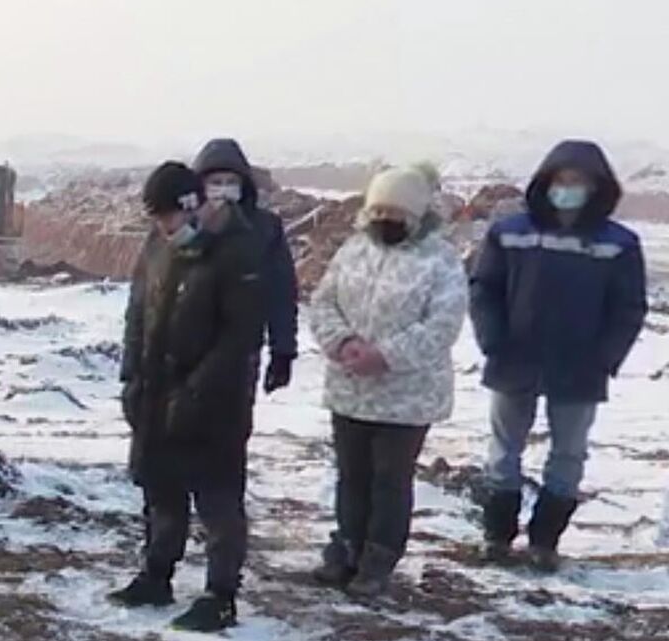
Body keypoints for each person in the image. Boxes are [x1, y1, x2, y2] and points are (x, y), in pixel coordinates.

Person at [471, 140, 647, 572]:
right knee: (503, 451)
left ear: (596, 188)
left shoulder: (617, 244)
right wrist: (493, 340)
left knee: (568, 454)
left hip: (579, 368)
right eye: (562, 180)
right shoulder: (511, 233)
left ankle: (545, 543)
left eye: (578, 182)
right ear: (546, 182)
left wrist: (605, 357)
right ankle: (496, 536)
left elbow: (628, 308)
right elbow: (484, 289)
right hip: (515, 359)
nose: (568, 189)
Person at [110, 162, 265, 632]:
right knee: (162, 491)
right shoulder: (158, 246)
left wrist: (197, 390)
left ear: (191, 206)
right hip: (157, 392)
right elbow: (139, 311)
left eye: (168, 218)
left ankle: (220, 594)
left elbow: (240, 335)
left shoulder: (235, 251)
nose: (162, 228)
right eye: (155, 220)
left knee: (217, 499)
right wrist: (132, 376)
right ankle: (157, 574)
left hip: (215, 403)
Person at [307, 165, 467, 599]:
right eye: (377, 209)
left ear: (416, 214)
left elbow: (442, 325)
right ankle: (346, 547)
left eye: (395, 212)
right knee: (351, 475)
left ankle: (378, 559)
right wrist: (342, 344)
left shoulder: (440, 260)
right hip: (349, 389)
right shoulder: (353, 251)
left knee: (390, 479)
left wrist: (384, 356)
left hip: (407, 398)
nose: (385, 219)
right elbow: (322, 302)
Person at [192, 139, 300, 396]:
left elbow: (281, 293)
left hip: (240, 355)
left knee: (230, 430)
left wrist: (283, 351)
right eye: (216, 182)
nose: (224, 189)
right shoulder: (184, 228)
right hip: (186, 353)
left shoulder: (265, 229)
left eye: (231, 182)